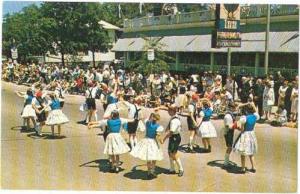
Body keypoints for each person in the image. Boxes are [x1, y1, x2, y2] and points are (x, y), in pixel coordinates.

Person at [130, 112, 164, 179]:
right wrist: (161, 141)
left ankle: (149, 172)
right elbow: (158, 136)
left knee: (148, 157)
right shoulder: (158, 127)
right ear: (157, 119)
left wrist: (152, 113)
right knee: (154, 157)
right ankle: (152, 171)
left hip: (146, 140)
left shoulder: (148, 123)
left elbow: (147, 119)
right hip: (153, 141)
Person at [234, 103, 259, 173]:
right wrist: (250, 104)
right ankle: (253, 167)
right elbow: (255, 109)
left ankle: (243, 168)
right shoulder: (255, 116)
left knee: (243, 152)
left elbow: (242, 129)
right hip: (251, 134)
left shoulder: (244, 118)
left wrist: (238, 128)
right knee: (251, 152)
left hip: (245, 135)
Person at [160, 105, 184, 177]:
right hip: (175, 137)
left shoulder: (174, 121)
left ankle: (181, 169)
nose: (168, 112)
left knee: (174, 153)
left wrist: (163, 139)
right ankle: (172, 168)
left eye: (169, 111)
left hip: (174, 137)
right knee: (170, 152)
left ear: (172, 111)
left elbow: (171, 132)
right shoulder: (175, 117)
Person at [223, 102, 237, 167]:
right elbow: (229, 126)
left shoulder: (230, 114)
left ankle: (226, 161)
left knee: (230, 147)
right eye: (234, 107)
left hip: (230, 132)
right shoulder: (228, 116)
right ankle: (226, 162)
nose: (235, 109)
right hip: (228, 132)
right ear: (231, 108)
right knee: (229, 147)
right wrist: (236, 125)